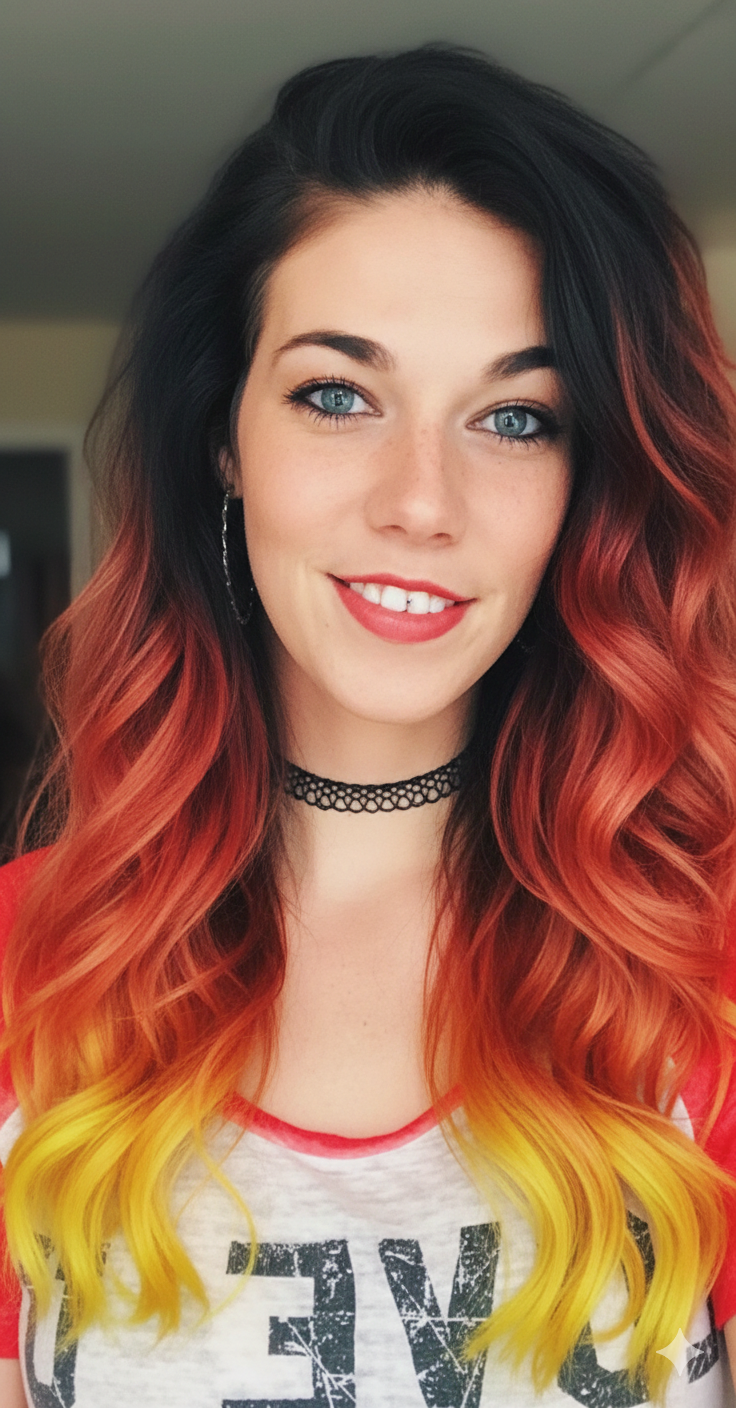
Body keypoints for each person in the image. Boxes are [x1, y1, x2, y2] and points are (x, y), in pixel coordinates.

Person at [1, 43, 736, 1408]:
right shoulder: (29, 964)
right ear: (224, 437)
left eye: (515, 418)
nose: (421, 502)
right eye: (338, 395)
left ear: (588, 484)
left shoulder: (700, 958)